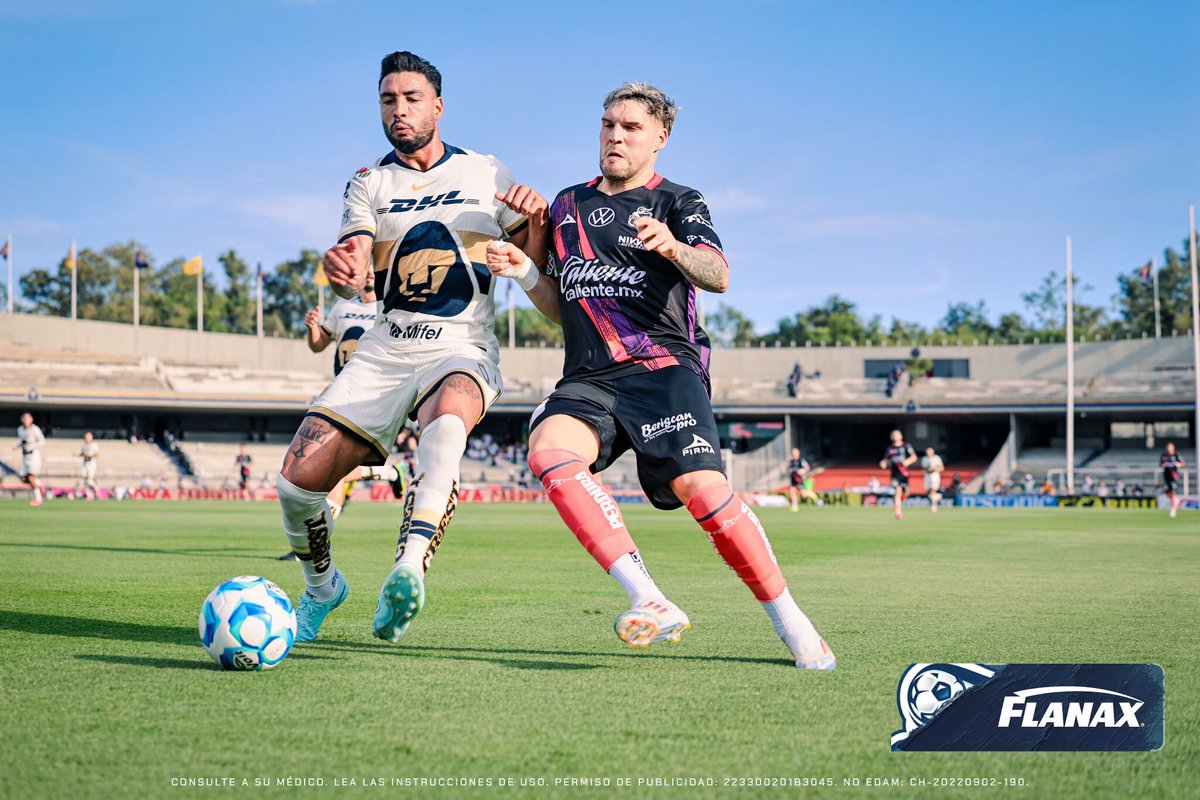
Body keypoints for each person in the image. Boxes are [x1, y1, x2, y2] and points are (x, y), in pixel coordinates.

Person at [487, 82, 834, 670]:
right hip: (591, 375)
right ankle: (648, 595)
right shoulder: (566, 206)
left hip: (663, 367)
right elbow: (561, 302)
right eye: (607, 124)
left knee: (703, 493)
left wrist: (674, 247)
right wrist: (525, 271)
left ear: (660, 138)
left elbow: (718, 274)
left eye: (631, 127)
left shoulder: (678, 200)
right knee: (547, 450)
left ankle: (794, 624)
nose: (615, 136)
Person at [275, 50, 548, 643]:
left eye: (411, 98)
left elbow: (539, 259)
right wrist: (343, 269)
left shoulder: (486, 171)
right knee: (295, 487)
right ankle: (323, 589)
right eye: (388, 100)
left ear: (438, 106)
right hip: (385, 346)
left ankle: (408, 568)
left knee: (446, 425)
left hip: (461, 343)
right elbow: (354, 250)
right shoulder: (368, 181)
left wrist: (532, 222)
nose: (398, 110)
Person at [278, 285, 404, 561]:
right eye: (366, 265)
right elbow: (318, 345)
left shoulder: (392, 303)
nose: (370, 270)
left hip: (379, 393)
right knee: (330, 466)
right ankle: (391, 473)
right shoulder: (342, 307)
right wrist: (312, 328)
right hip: (343, 390)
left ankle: (312, 547)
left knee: (334, 468)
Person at [880, 429, 917, 520]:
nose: (895, 436)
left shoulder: (906, 446)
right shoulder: (889, 448)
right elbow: (887, 459)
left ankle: (903, 497)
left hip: (905, 473)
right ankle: (898, 512)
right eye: (893, 434)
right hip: (895, 474)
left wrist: (907, 462)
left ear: (901, 436)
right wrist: (884, 463)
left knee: (905, 493)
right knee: (897, 492)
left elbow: (914, 457)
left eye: (897, 434)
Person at [15, 412, 46, 506]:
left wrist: (31, 446)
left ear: (31, 420)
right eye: (24, 418)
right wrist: (17, 446)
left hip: (33, 456)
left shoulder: (35, 429)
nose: (26, 420)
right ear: (21, 420)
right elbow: (22, 441)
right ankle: (39, 484)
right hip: (25, 457)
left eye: (28, 418)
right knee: (23, 478)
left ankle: (38, 499)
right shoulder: (20, 429)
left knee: (31, 477)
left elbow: (42, 441)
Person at [1160, 441, 1185, 518]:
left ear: (1173, 447)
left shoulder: (1177, 454)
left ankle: (1173, 510)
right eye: (1168, 447)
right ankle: (1176, 500)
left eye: (1170, 447)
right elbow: (1161, 465)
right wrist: (1164, 465)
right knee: (1168, 492)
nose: (1169, 448)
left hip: (1174, 476)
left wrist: (1179, 464)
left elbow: (1182, 464)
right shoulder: (1164, 455)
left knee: (1173, 492)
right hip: (1166, 476)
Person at [920, 446, 944, 513]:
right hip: (927, 475)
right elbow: (923, 468)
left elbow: (942, 468)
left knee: (933, 490)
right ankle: (938, 496)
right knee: (928, 491)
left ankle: (933, 506)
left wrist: (934, 469)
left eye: (930, 451)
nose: (928, 453)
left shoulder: (937, 458)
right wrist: (927, 470)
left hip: (934, 475)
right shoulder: (924, 459)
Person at [79, 431, 100, 500]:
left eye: (88, 437)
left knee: (90, 479)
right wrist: (78, 454)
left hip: (91, 463)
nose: (86, 438)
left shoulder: (94, 444)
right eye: (86, 437)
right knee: (84, 479)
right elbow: (82, 453)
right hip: (85, 463)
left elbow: (97, 455)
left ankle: (96, 490)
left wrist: (90, 454)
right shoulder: (84, 445)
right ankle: (89, 494)